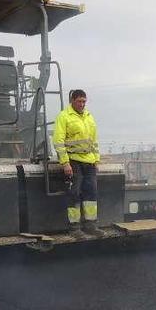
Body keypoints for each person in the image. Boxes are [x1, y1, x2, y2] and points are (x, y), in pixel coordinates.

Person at [53, 89, 102, 237]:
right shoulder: (64, 116)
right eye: (79, 101)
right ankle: (74, 228)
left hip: (90, 162)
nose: (82, 104)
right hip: (73, 161)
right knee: (74, 194)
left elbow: (94, 141)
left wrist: (96, 159)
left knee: (91, 193)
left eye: (84, 101)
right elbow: (58, 141)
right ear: (72, 101)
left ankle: (91, 225)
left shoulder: (89, 117)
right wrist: (65, 163)